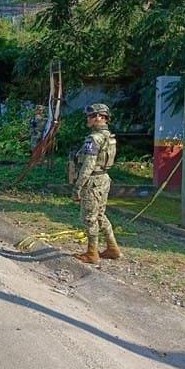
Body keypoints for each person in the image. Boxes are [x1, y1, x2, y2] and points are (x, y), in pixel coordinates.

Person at [72, 103, 119, 264]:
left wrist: (78, 186)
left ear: (101, 117)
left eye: (91, 116)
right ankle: (113, 248)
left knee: (90, 218)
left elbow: (88, 165)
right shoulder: (109, 137)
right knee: (100, 215)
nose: (88, 119)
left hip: (92, 181)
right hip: (104, 179)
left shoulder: (94, 138)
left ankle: (92, 253)